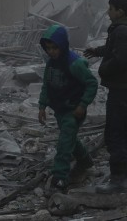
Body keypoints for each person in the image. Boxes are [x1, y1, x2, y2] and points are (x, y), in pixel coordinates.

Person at [83, 0, 127, 193]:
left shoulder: (121, 31)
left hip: (120, 91)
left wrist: (103, 69)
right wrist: (98, 51)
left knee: (114, 134)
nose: (108, 12)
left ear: (120, 11)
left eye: (110, 8)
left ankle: (118, 179)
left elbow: (120, 60)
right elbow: (116, 50)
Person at [38, 24, 99, 193]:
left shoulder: (75, 63)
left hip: (74, 110)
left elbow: (92, 83)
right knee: (70, 137)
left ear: (63, 45)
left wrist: (82, 104)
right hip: (60, 109)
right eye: (48, 48)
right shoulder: (51, 64)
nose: (51, 51)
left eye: (55, 47)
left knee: (64, 143)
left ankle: (60, 178)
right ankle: (85, 161)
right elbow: (46, 85)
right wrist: (42, 106)